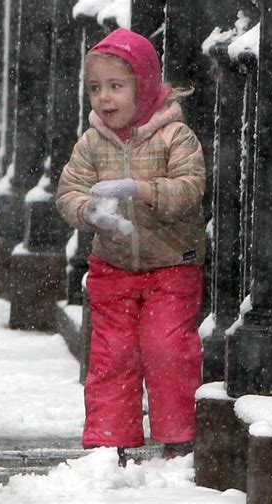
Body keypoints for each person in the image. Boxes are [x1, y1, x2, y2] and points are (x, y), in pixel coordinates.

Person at [56, 28, 207, 467]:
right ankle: (108, 443)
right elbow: (69, 192)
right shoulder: (92, 142)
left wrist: (140, 189)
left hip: (171, 267)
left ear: (143, 86)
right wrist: (90, 213)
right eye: (95, 87)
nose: (104, 98)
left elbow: (189, 188)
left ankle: (178, 439)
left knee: (166, 348)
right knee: (111, 355)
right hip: (113, 267)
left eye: (116, 86)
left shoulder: (174, 136)